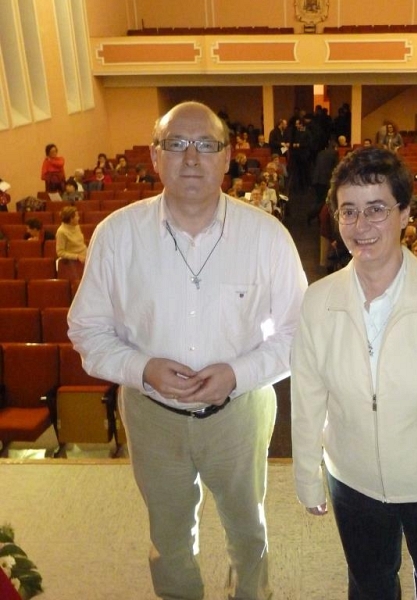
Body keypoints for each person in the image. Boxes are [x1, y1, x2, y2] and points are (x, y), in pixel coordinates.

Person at [67, 101, 307, 600]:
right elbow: (87, 330)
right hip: (151, 417)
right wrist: (142, 367)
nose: (191, 157)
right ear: (156, 157)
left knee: (248, 528)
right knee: (170, 535)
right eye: (176, 144)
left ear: (227, 158)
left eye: (206, 145)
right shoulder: (117, 236)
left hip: (240, 413)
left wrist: (238, 374)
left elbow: (298, 335)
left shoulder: (266, 237)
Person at [291, 146, 417, 600]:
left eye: (377, 209)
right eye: (349, 211)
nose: (361, 226)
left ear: (405, 213)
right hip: (353, 480)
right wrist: (307, 474)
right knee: (370, 587)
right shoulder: (319, 300)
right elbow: (307, 396)